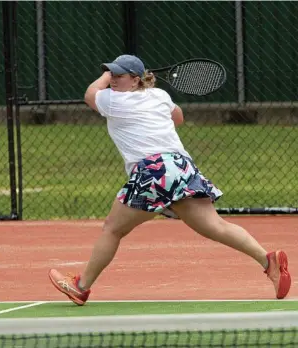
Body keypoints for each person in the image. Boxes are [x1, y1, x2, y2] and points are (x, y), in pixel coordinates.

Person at [48, 54, 291, 305]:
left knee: (113, 228)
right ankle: (268, 261)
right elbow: (179, 117)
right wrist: (147, 93)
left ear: (134, 80)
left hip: (153, 171)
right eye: (111, 75)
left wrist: (105, 78)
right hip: (181, 167)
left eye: (118, 75)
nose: (112, 80)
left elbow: (90, 94)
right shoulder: (160, 96)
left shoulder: (113, 100)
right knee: (215, 226)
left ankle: (81, 286)